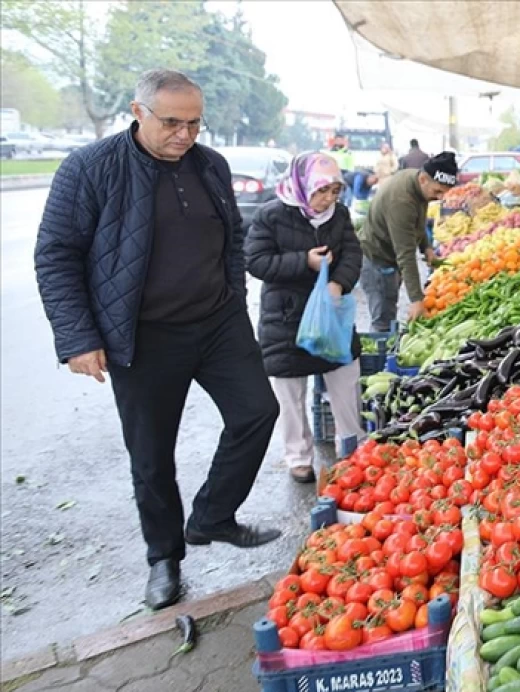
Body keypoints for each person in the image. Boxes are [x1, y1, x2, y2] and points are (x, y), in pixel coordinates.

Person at [34, 69, 281, 611]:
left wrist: (233, 295)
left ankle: (213, 515)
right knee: (151, 456)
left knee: (258, 412)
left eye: (194, 123)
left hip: (217, 323)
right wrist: (78, 337)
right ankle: (164, 559)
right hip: (143, 336)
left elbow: (232, 238)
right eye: (172, 122)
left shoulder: (210, 164)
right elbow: (56, 255)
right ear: (138, 111)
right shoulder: (90, 168)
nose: (184, 134)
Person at [245, 152, 365, 484]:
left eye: (335, 190)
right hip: (286, 316)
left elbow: (353, 253)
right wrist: (304, 262)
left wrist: (338, 282)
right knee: (290, 391)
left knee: (345, 375)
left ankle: (351, 448)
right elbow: (256, 261)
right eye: (322, 190)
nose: (329, 198)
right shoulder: (271, 214)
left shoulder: (339, 215)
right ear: (303, 185)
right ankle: (298, 458)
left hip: (331, 315)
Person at [360, 152, 459, 331]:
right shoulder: (402, 201)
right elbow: (405, 254)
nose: (439, 198)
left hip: (389, 258)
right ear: (423, 179)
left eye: (444, 193)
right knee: (383, 321)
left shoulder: (417, 183)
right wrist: (416, 300)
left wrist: (426, 247)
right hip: (377, 259)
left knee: (389, 310)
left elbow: (418, 221)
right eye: (437, 191)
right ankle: (380, 357)